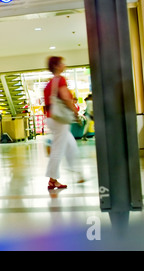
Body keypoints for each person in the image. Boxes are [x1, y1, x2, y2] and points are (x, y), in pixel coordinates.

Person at [43, 56, 83, 190]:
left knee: (70, 145)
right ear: (56, 66)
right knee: (58, 149)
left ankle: (77, 173)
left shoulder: (49, 84)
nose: (64, 64)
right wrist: (75, 113)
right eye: (61, 63)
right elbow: (66, 98)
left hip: (52, 118)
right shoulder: (60, 80)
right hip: (59, 119)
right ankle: (52, 180)